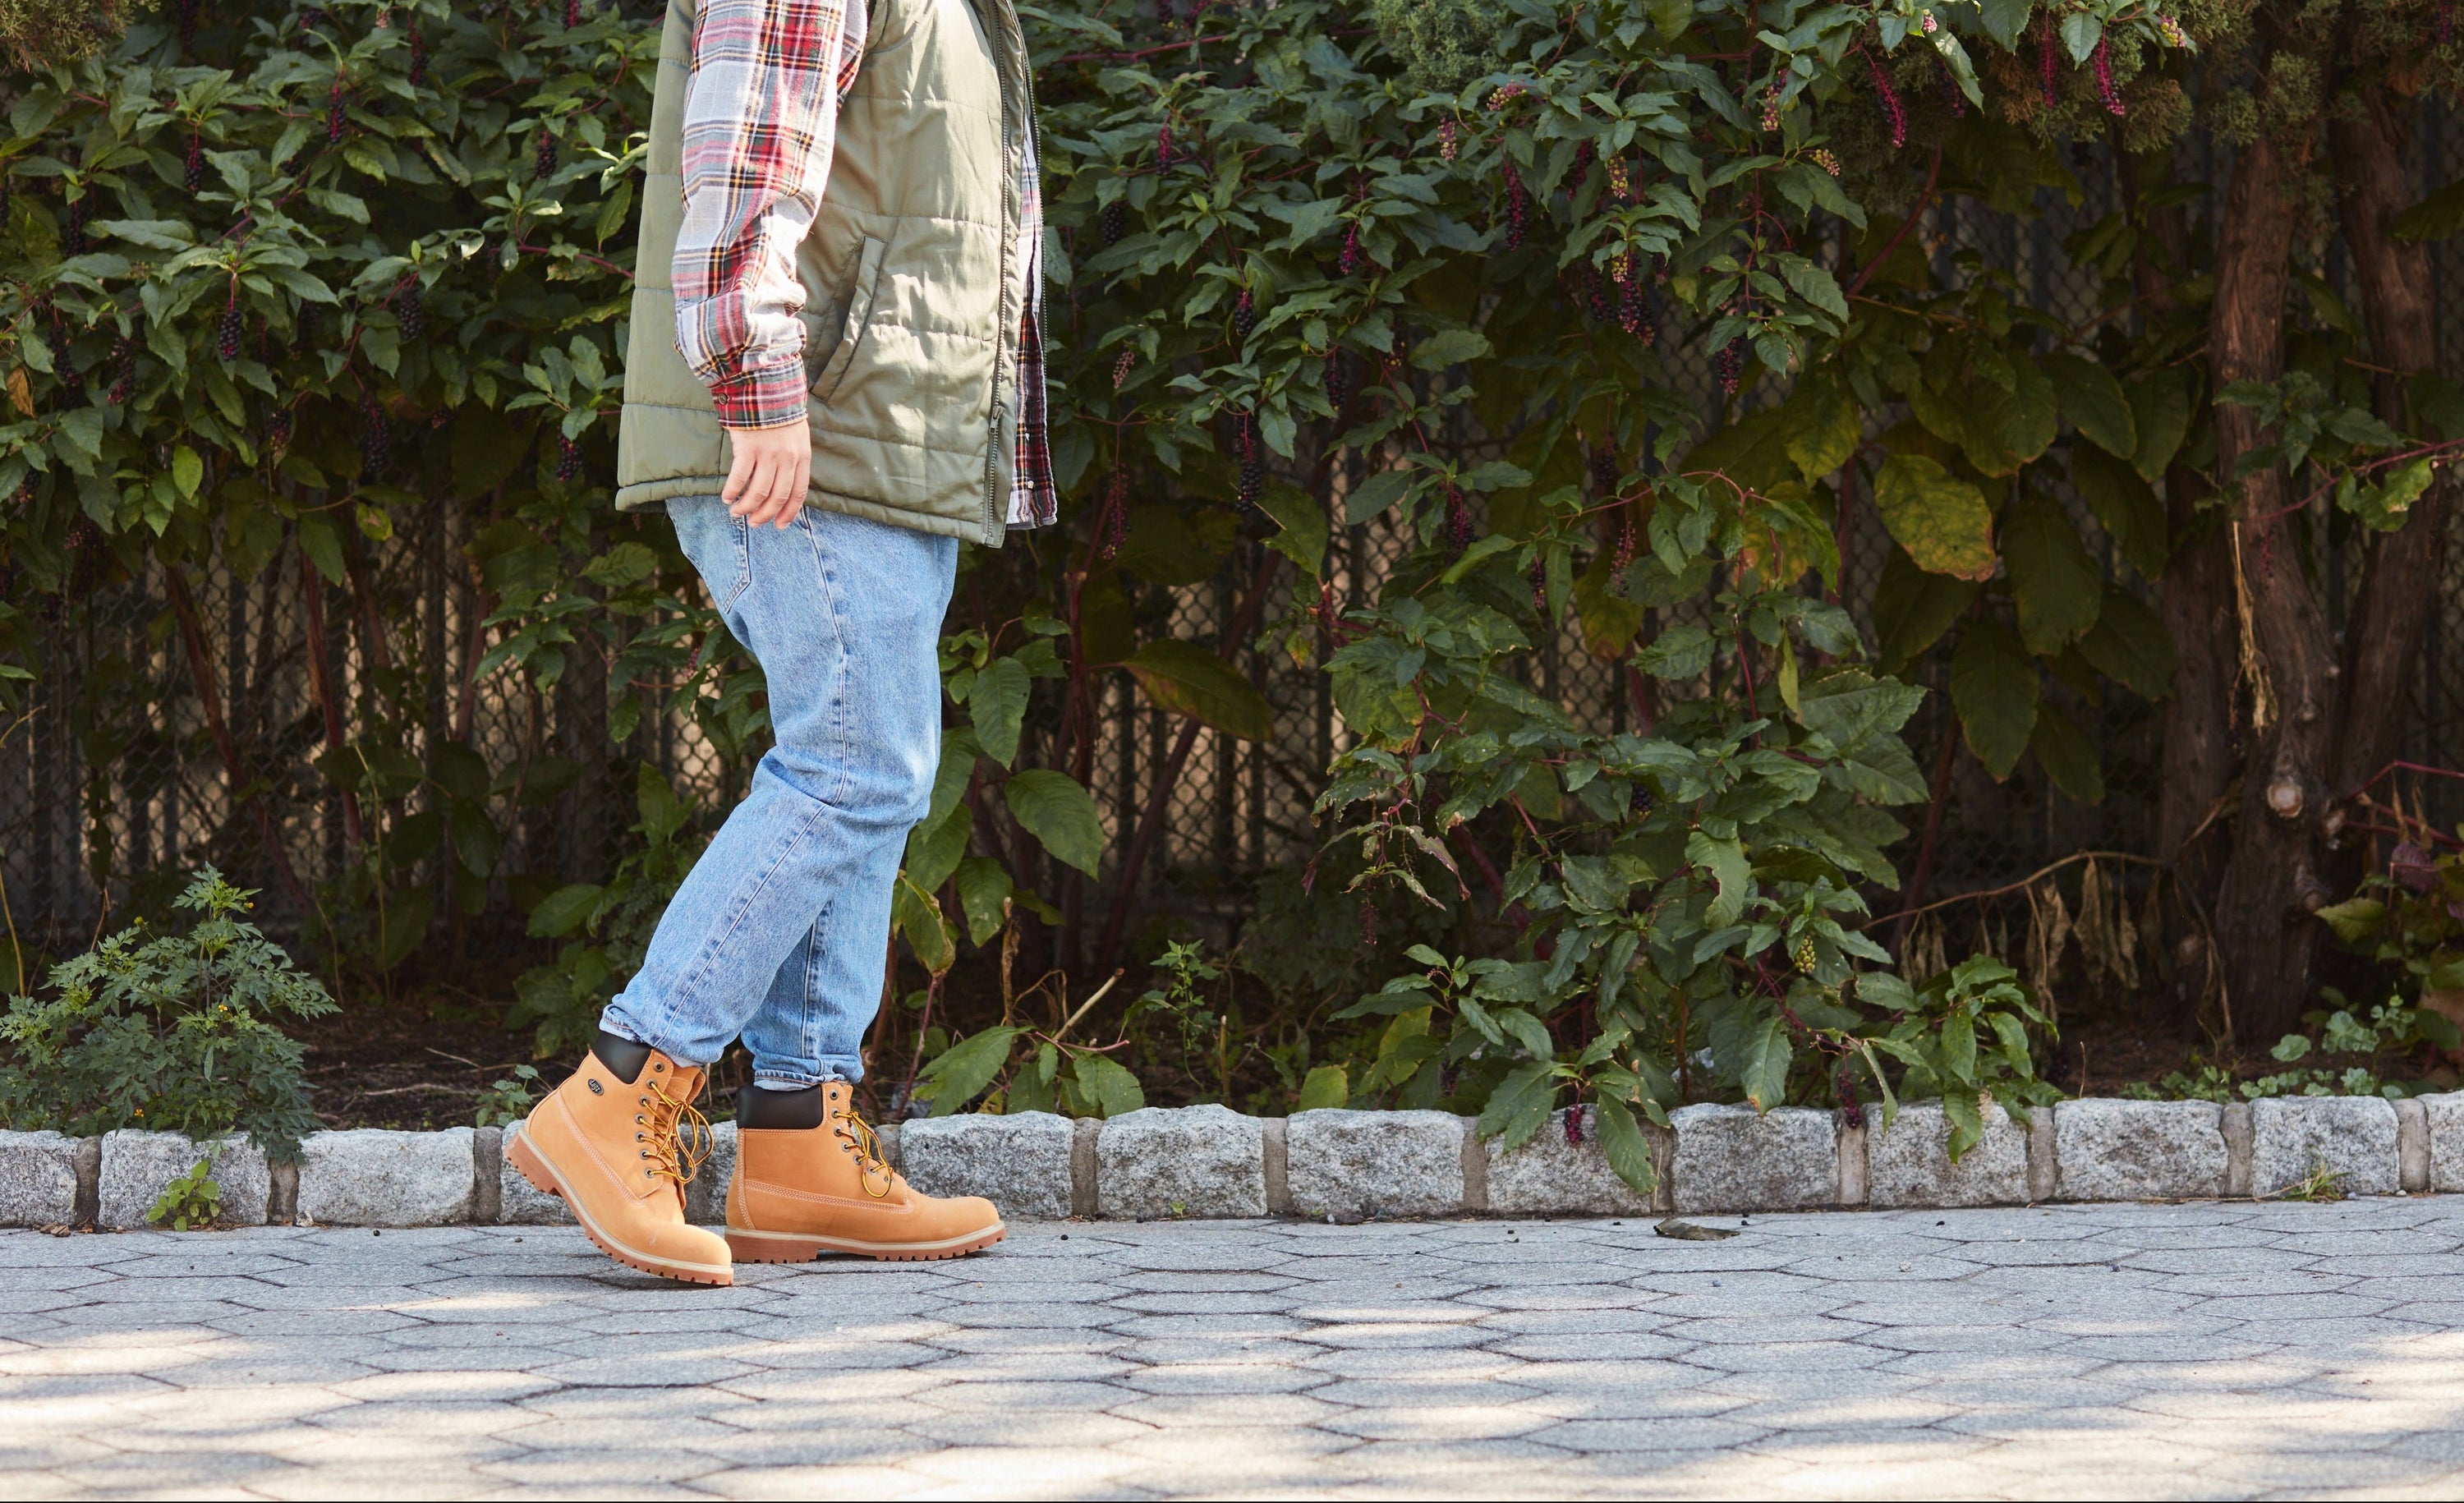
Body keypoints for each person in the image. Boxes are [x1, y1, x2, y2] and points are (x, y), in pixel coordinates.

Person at [505, 0, 1054, 1286]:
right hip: (813, 429)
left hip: (879, 439)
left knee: (861, 770)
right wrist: (759, 382)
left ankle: (799, 1134)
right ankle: (622, 1081)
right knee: (857, 767)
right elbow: (748, 154)